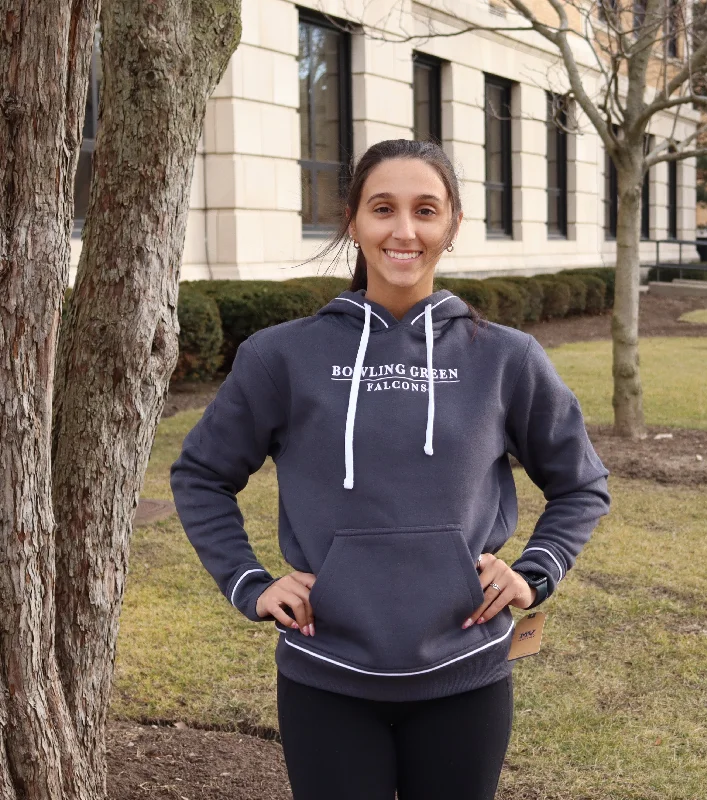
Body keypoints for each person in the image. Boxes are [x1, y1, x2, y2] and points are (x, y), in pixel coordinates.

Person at [169, 139, 611, 800]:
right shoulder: (283, 357)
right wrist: (248, 581)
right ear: (353, 222)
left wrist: (533, 573)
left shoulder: (505, 359)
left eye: (425, 210)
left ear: (452, 226)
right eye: (383, 208)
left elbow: (580, 482)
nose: (404, 230)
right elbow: (202, 473)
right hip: (327, 676)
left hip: (467, 675)